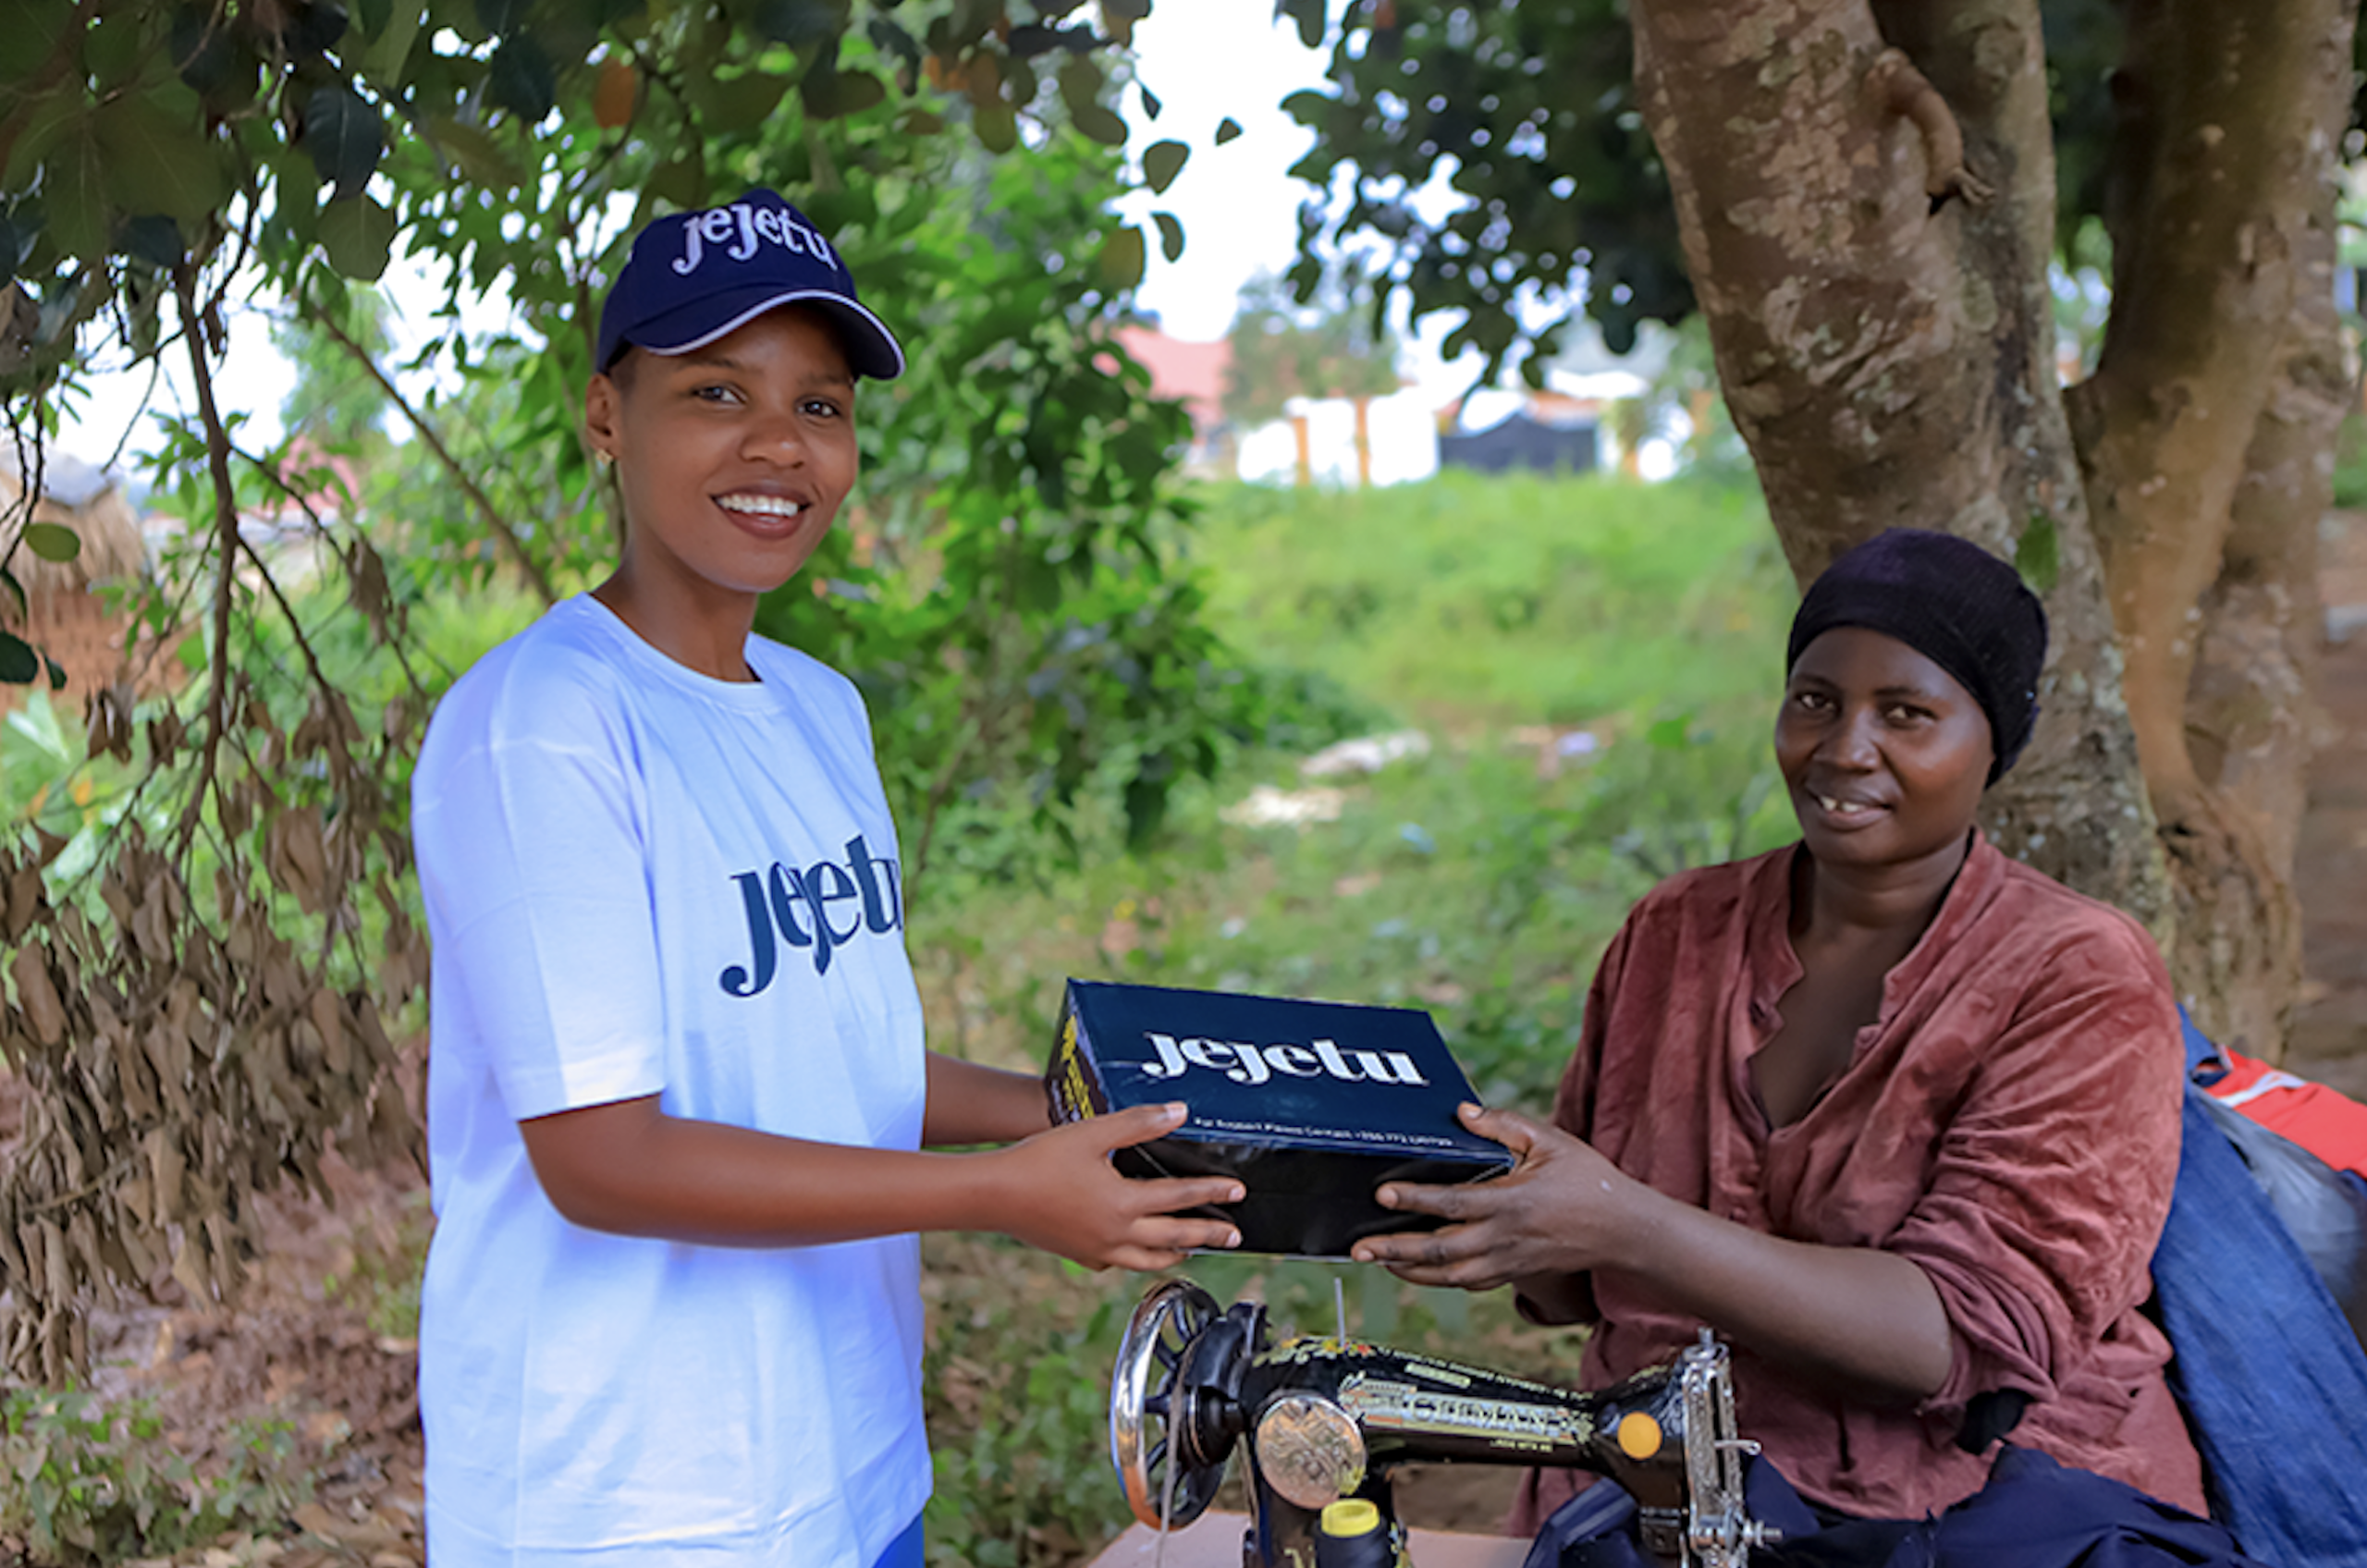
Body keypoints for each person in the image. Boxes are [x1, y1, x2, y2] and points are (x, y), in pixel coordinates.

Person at [409, 189, 1244, 1568]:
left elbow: (838, 1057)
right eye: (716, 392)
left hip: (847, 1459)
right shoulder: (542, 723)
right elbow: (602, 1159)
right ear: (607, 415)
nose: (777, 446)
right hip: (634, 1502)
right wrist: (1001, 1191)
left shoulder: (818, 710)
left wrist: (1097, 1118)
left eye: (820, 406)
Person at [1352, 529, 2257, 1564]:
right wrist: (1457, 1200)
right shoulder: (1677, 931)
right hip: (1658, 1499)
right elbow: (1571, 1287)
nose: (1844, 749)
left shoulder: (2074, 971)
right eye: (1815, 700)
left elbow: (1957, 1339)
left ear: (1994, 742)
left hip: (1971, 1516)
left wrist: (1622, 1221)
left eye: (1906, 714)